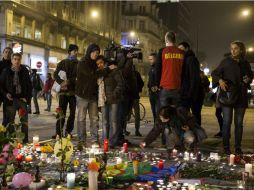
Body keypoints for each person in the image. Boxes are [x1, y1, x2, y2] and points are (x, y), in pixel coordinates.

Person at [211, 41, 253, 155]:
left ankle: (238, 148)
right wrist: (220, 81)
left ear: (241, 50)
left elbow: (250, 76)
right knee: (226, 122)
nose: (233, 51)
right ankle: (226, 147)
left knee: (239, 123)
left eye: (235, 48)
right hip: (228, 96)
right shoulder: (226, 61)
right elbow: (214, 73)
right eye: (231, 48)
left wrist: (247, 79)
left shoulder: (245, 63)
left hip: (241, 96)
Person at [0, 53, 32, 143]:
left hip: (22, 99)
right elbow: (1, 85)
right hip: (11, 100)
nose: (17, 61)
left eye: (18, 59)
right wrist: (6, 94)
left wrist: (27, 98)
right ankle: (11, 141)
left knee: (24, 122)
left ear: (20, 60)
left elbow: (29, 85)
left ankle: (25, 141)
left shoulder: (24, 70)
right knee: (10, 122)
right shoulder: (6, 71)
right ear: (11, 60)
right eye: (15, 59)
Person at [96, 55, 124, 148]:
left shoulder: (113, 70)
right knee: (104, 122)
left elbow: (121, 83)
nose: (99, 65)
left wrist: (114, 94)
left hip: (114, 100)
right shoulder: (99, 73)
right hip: (103, 100)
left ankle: (112, 142)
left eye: (101, 63)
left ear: (105, 62)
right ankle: (105, 141)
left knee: (113, 122)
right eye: (98, 64)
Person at [75, 43, 101, 145]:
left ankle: (95, 140)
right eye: (94, 52)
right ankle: (82, 140)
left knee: (94, 119)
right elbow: (91, 75)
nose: (95, 54)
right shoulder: (82, 63)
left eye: (97, 53)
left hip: (93, 96)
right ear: (89, 52)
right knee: (81, 118)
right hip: (82, 95)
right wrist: (103, 71)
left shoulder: (97, 64)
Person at [53, 44, 78, 138]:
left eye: (76, 51)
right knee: (61, 113)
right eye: (74, 51)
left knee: (72, 114)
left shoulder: (78, 64)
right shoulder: (62, 62)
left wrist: (69, 81)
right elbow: (55, 74)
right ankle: (58, 132)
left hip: (73, 93)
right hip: (63, 93)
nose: (75, 53)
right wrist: (61, 82)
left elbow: (78, 77)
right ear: (69, 52)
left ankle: (68, 131)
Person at [156, 31, 184, 108]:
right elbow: (184, 71)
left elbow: (158, 69)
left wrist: (157, 84)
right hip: (177, 86)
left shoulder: (162, 51)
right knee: (176, 112)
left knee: (164, 112)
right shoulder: (182, 53)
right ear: (175, 40)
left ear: (166, 40)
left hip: (165, 86)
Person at [178, 41, 201, 125]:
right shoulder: (185, 59)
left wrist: (190, 94)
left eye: (181, 49)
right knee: (186, 115)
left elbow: (194, 78)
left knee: (195, 115)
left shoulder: (191, 59)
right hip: (187, 92)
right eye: (178, 49)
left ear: (187, 48)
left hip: (192, 94)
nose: (180, 51)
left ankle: (197, 134)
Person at [0, 47, 13, 126]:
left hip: (8, 94)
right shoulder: (0, 64)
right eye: (6, 52)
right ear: (3, 53)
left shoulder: (13, 65)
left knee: (7, 116)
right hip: (0, 90)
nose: (7, 54)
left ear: (11, 54)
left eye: (9, 52)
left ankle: (5, 134)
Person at [130, 70, 144, 136]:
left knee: (128, 114)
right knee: (136, 114)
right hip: (133, 96)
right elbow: (141, 83)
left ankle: (136, 130)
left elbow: (141, 83)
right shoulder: (135, 73)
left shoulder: (135, 73)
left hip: (131, 96)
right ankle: (137, 130)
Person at [148, 53, 160, 122]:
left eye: (151, 59)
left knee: (157, 110)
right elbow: (150, 80)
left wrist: (157, 87)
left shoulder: (159, 68)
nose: (150, 61)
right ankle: (156, 126)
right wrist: (150, 87)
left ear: (155, 59)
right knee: (153, 111)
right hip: (151, 92)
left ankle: (158, 126)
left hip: (157, 92)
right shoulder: (151, 67)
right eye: (149, 59)